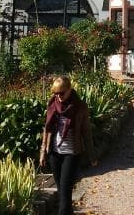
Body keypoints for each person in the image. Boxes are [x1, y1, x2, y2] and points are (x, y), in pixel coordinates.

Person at [39, 75, 96, 215]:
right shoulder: (52, 103)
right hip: (54, 153)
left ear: (69, 90)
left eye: (61, 93)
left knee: (64, 192)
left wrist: (91, 155)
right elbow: (47, 129)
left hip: (72, 153)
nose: (58, 96)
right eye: (55, 93)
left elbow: (86, 132)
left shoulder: (80, 106)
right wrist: (43, 153)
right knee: (63, 192)